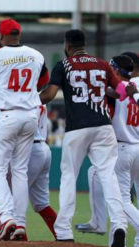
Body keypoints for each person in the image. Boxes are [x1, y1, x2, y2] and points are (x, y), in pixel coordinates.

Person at [39, 29, 127, 247]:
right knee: (108, 176)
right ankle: (118, 224)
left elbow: (49, 95)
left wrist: (30, 99)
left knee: (69, 177)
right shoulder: (102, 63)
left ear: (67, 46)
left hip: (77, 128)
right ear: (84, 44)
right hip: (103, 126)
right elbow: (120, 92)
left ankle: (63, 229)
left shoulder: (64, 65)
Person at [0, 19, 49, 240]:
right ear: (19, 34)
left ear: (1, 36)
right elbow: (42, 82)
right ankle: (21, 224)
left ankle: (7, 218)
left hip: (6, 115)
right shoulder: (36, 55)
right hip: (30, 115)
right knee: (20, 171)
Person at [76, 54, 139, 246]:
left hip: (122, 148)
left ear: (117, 70)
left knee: (121, 200)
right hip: (137, 146)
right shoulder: (135, 86)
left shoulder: (115, 89)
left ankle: (98, 222)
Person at [27, 105, 58, 240]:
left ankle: (19, 242)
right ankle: (63, 236)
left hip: (29, 149)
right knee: (42, 203)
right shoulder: (38, 96)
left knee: (11, 199)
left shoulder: (24, 94)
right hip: (43, 147)